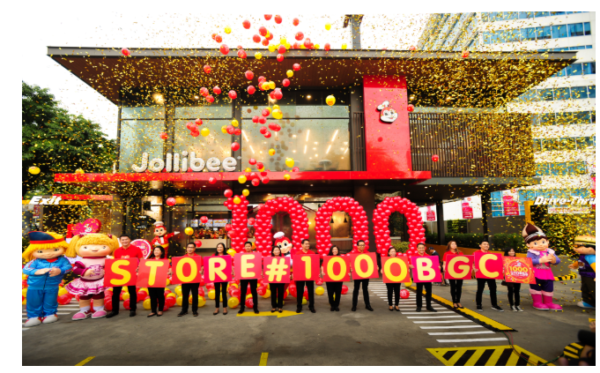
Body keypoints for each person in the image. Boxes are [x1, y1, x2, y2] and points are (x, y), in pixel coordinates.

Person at [22, 231, 72, 326]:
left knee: (50, 301)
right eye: (40, 251)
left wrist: (60, 271)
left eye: (55, 249)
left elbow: (68, 268)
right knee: (34, 301)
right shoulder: (35, 261)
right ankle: (33, 316)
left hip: (52, 285)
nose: (48, 254)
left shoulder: (62, 260)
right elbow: (26, 269)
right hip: (34, 286)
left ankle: (50, 314)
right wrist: (36, 271)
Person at [65, 233, 120, 320]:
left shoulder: (106, 260)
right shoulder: (83, 261)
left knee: (98, 295)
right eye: (86, 247)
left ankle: (98, 309)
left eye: (103, 247)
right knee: (84, 296)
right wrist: (84, 271)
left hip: (99, 281)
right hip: (85, 282)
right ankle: (84, 310)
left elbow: (112, 268)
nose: (94, 249)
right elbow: (76, 269)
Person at [523, 223, 561, 311]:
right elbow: (528, 261)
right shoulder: (531, 252)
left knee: (548, 287)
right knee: (536, 288)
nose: (540, 245)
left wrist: (553, 259)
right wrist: (540, 260)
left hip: (547, 273)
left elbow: (558, 261)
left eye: (543, 242)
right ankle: (537, 302)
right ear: (528, 245)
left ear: (547, 242)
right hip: (535, 274)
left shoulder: (550, 251)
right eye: (536, 243)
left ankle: (548, 302)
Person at [107, 234, 144, 318]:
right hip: (119, 274)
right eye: (122, 240)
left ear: (129, 239)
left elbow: (142, 260)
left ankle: (133, 309)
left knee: (132, 292)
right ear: (120, 241)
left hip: (131, 274)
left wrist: (139, 268)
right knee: (115, 293)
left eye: (126, 239)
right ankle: (115, 310)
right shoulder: (117, 251)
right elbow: (114, 263)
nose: (124, 241)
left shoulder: (136, 249)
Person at [474, 241, 503, 312]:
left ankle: (494, 305)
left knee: (493, 289)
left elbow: (496, 264)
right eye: (484, 244)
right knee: (480, 289)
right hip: (481, 274)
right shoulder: (476, 253)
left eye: (487, 244)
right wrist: (474, 268)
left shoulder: (491, 254)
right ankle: (479, 304)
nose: (486, 245)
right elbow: (472, 262)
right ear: (480, 245)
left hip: (490, 274)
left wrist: (501, 269)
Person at [569, 235, 595, 309]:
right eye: (575, 245)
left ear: (590, 248)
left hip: (591, 276)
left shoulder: (591, 257)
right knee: (586, 288)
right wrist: (575, 265)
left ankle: (592, 302)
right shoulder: (584, 255)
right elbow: (581, 262)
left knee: (592, 289)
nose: (575, 248)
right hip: (585, 274)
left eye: (578, 246)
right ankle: (589, 302)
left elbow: (595, 266)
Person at [410, 243, 437, 312]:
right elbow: (409, 264)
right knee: (419, 292)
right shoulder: (414, 257)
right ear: (417, 249)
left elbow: (433, 266)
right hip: (419, 277)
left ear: (424, 248)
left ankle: (429, 306)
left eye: (422, 247)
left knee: (429, 292)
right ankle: (419, 306)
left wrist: (437, 267)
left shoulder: (428, 256)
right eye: (419, 248)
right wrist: (410, 266)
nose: (421, 249)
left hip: (428, 277)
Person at [178, 243, 202, 317]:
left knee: (195, 295)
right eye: (188, 247)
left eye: (192, 247)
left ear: (194, 248)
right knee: (185, 295)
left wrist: (202, 270)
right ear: (186, 248)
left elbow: (203, 266)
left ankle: (194, 310)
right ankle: (184, 310)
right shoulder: (182, 257)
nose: (190, 249)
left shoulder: (199, 257)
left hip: (195, 279)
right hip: (185, 279)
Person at [146, 246, 171, 317]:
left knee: (160, 295)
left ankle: (160, 310)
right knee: (152, 296)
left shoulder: (165, 260)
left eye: (158, 250)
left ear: (162, 252)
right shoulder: (150, 260)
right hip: (151, 280)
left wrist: (169, 272)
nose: (156, 251)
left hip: (160, 280)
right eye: (155, 250)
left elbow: (169, 269)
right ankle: (153, 311)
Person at [351, 240, 373, 312]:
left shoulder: (368, 253)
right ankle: (354, 305)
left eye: (363, 245)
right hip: (357, 274)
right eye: (360, 245)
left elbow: (372, 263)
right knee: (356, 290)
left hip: (365, 274)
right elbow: (350, 263)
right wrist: (350, 267)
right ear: (357, 246)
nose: (362, 246)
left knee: (365, 289)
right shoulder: (354, 254)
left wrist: (376, 267)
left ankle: (367, 305)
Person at [296, 239, 317, 313]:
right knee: (299, 291)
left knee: (311, 291)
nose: (307, 245)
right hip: (300, 275)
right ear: (302, 245)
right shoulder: (298, 254)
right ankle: (299, 306)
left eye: (308, 244)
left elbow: (314, 265)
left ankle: (311, 306)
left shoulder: (312, 253)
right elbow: (296, 266)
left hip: (309, 275)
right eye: (305, 244)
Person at [238, 242, 259, 314]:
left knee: (254, 291)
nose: (247, 247)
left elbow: (258, 264)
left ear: (251, 247)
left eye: (249, 246)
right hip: (244, 275)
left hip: (253, 276)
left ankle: (255, 307)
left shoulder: (255, 255)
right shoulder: (241, 255)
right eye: (246, 246)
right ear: (244, 247)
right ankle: (242, 308)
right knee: (243, 292)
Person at [443, 240, 464, 309]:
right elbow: (444, 263)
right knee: (452, 287)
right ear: (449, 246)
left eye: (455, 244)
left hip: (460, 272)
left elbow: (464, 261)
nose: (454, 245)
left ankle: (458, 301)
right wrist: (444, 269)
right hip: (450, 272)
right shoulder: (446, 253)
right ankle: (454, 302)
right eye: (452, 244)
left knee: (459, 287)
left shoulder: (460, 253)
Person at [323, 245, 344, 312]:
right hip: (329, 278)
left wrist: (347, 273)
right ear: (331, 250)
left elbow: (345, 266)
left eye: (336, 249)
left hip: (339, 277)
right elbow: (323, 266)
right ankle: (332, 305)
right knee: (330, 292)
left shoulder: (341, 257)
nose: (335, 251)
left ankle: (336, 305)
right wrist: (322, 272)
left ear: (338, 251)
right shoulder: (327, 257)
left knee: (338, 292)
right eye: (333, 249)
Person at [211, 243, 228, 316]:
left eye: (221, 247)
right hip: (216, 276)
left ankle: (225, 308)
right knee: (217, 292)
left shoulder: (227, 256)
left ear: (223, 248)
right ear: (216, 248)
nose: (219, 248)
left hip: (224, 276)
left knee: (224, 292)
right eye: (218, 247)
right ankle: (217, 308)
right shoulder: (213, 255)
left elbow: (230, 265)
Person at [270, 246, 286, 313]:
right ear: (273, 252)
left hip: (281, 278)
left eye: (278, 250)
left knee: (280, 293)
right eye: (275, 250)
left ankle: (280, 306)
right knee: (273, 293)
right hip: (272, 278)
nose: (276, 251)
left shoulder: (283, 259)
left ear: (280, 252)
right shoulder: (270, 259)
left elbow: (286, 268)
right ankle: (273, 306)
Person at [386, 247, 401, 312]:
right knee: (390, 291)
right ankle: (390, 305)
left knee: (397, 291)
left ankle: (396, 305)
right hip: (389, 278)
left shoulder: (399, 260)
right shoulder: (386, 260)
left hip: (397, 278)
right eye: (391, 251)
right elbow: (383, 269)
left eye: (394, 251)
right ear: (389, 253)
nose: (393, 253)